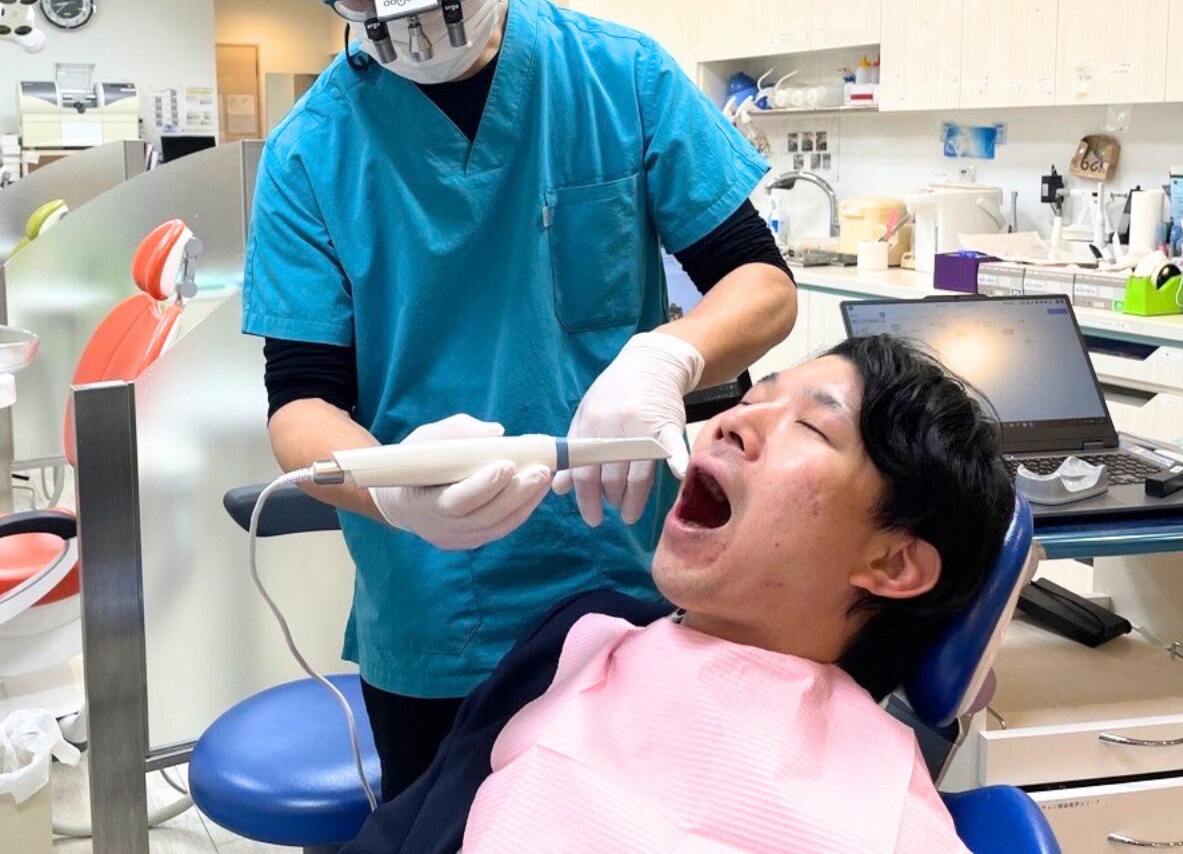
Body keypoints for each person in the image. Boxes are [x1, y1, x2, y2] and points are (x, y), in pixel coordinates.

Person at [244, 0, 799, 795]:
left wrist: (667, 357)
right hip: (436, 616)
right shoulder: (310, 155)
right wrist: (388, 488)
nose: (418, 19)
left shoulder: (620, 77)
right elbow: (300, 405)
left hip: (632, 577)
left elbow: (760, 286)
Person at [343, 335, 1016, 853]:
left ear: (894, 562)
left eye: (812, 427)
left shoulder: (890, 823)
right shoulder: (582, 638)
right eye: (750, 399)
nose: (727, 423)